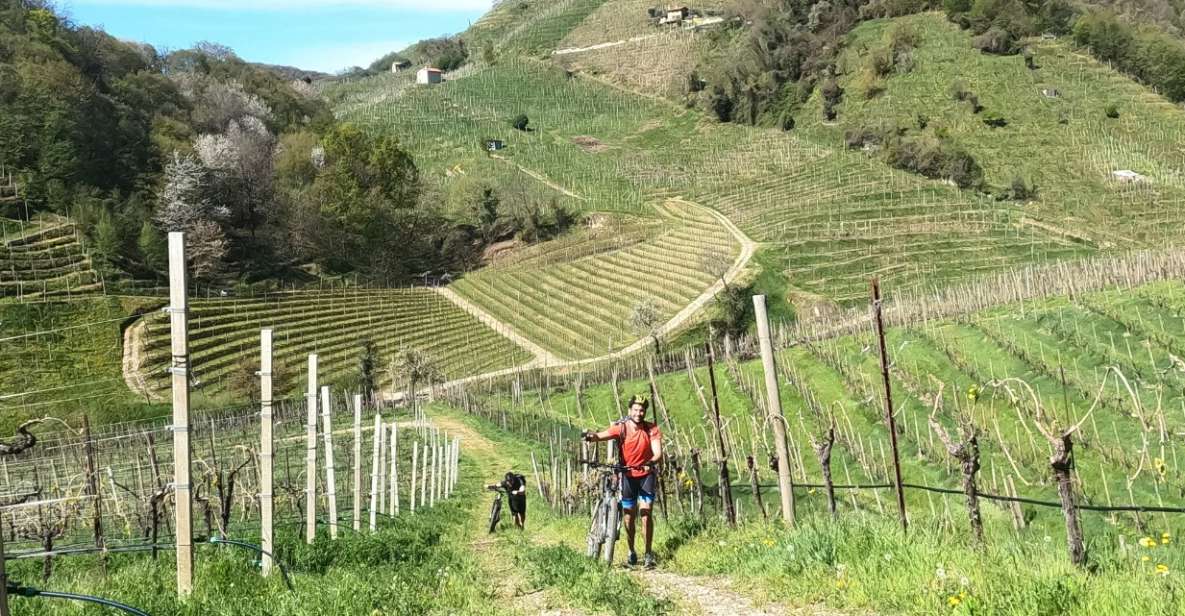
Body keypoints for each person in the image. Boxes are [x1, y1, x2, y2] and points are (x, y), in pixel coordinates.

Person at [583, 393, 663, 569]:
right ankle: (631, 551)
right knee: (628, 517)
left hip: (646, 475)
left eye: (641, 410)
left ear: (645, 412)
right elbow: (602, 435)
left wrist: (650, 463)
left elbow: (658, 453)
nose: (638, 413)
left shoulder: (652, 429)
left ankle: (648, 553)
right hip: (627, 476)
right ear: (630, 410)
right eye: (635, 409)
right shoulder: (622, 428)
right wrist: (591, 436)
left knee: (645, 513)